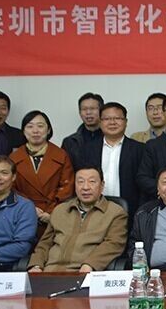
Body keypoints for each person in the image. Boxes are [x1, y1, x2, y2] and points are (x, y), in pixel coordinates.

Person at [28, 166, 127, 273]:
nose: (85, 187)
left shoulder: (115, 212)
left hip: (85, 272)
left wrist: (90, 265)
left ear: (102, 185)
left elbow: (113, 244)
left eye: (92, 182)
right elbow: (45, 244)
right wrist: (36, 265)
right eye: (80, 182)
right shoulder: (60, 210)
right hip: (50, 272)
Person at [10, 110, 74, 238]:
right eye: (30, 126)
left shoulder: (61, 155)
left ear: (48, 130)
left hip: (53, 215)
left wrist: (51, 212)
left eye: (40, 126)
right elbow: (10, 188)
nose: (35, 131)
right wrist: (30, 208)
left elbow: (67, 188)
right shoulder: (13, 158)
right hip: (22, 215)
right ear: (23, 131)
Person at [83, 102, 145, 217]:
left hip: (130, 211)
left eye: (117, 118)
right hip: (94, 210)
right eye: (107, 119)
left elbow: (143, 185)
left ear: (125, 122)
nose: (112, 122)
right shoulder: (87, 149)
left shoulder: (140, 149)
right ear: (100, 122)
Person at [62, 92, 104, 168]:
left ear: (102, 111)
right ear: (80, 112)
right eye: (84, 109)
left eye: (92, 108)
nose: (88, 112)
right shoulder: (69, 142)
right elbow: (65, 170)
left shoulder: (111, 138)